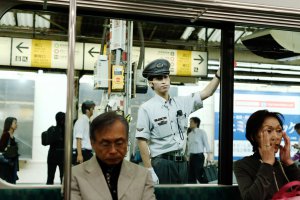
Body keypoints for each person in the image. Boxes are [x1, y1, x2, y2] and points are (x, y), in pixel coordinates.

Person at [135, 59, 220, 184]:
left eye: (166, 77)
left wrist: (218, 75)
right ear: (151, 83)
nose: (164, 81)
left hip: (183, 164)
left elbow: (207, 92)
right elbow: (141, 141)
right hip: (162, 163)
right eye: (159, 78)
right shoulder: (146, 108)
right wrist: (149, 169)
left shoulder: (182, 102)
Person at [71, 111, 156, 200]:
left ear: (127, 142)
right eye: (105, 144)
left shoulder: (142, 176)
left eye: (119, 143)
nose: (113, 151)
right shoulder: (75, 176)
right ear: (92, 143)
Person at [233, 110, 300, 200]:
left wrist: (289, 162)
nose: (275, 136)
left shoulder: (284, 165)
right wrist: (267, 164)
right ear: (253, 136)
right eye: (269, 131)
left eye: (279, 131)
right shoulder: (242, 165)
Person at [187, 117, 211, 184]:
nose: (190, 123)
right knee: (190, 176)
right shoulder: (189, 134)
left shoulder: (201, 132)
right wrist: (188, 156)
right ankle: (192, 192)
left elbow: (206, 144)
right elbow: (189, 147)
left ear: (196, 123)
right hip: (191, 157)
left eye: (191, 122)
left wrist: (209, 156)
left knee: (199, 175)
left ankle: (206, 189)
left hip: (199, 157)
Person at [72, 100, 95, 165]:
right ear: (88, 110)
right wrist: (79, 155)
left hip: (86, 152)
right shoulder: (82, 121)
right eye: (92, 109)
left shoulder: (86, 121)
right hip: (82, 152)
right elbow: (78, 138)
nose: (93, 111)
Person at [46, 112, 65, 184]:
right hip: (62, 156)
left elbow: (47, 141)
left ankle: (48, 194)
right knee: (63, 179)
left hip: (52, 155)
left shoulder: (51, 129)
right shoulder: (67, 131)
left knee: (50, 178)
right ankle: (63, 194)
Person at [0, 117, 19, 184]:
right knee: (10, 181)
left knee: (12, 181)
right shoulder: (6, 134)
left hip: (12, 162)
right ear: (10, 124)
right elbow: (1, 148)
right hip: (8, 163)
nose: (16, 125)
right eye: (15, 123)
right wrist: (7, 149)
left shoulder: (12, 135)